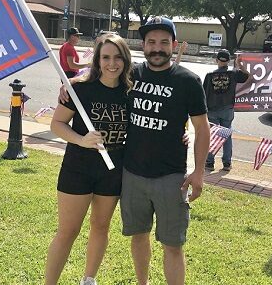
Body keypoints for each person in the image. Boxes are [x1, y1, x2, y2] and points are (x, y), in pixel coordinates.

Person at [121, 17, 210, 285]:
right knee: (139, 235)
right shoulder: (131, 75)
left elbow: (202, 128)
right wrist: (73, 82)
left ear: (173, 44)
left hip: (171, 178)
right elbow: (99, 77)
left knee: (172, 244)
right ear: (143, 45)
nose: (157, 48)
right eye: (151, 42)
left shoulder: (188, 81)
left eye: (163, 42)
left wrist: (198, 172)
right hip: (132, 174)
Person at [45, 34, 133, 285]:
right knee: (68, 231)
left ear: (126, 60)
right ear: (97, 60)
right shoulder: (80, 88)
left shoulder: (131, 92)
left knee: (101, 226)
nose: (112, 63)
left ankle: (89, 279)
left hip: (113, 169)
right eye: (105, 57)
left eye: (117, 57)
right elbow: (57, 124)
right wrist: (81, 139)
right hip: (78, 168)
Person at [204, 49, 250, 172]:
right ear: (228, 61)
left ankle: (209, 162)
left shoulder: (209, 76)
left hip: (212, 109)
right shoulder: (233, 74)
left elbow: (204, 94)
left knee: (212, 136)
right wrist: (240, 65)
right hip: (227, 109)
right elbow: (247, 76)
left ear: (216, 60)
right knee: (227, 136)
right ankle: (227, 163)